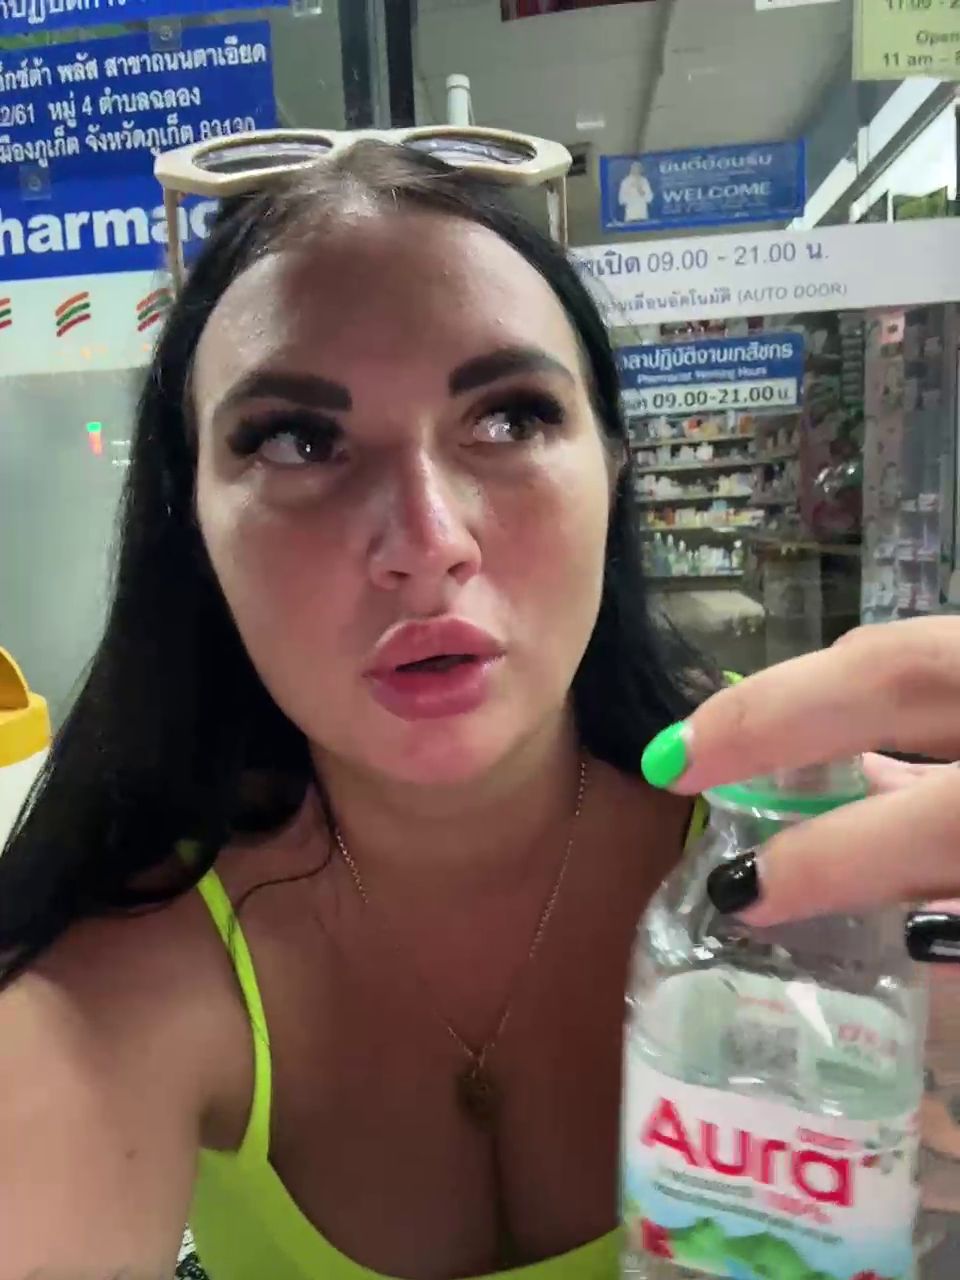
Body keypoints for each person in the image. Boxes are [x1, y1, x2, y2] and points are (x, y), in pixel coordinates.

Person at [1, 140, 958, 1280]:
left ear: (613, 471)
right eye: (297, 441)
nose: (428, 542)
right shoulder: (122, 969)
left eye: (510, 419)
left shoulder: (827, 850)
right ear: (195, 526)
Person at [616, 161, 654, 225]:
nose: (636, 171)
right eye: (634, 169)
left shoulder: (644, 181)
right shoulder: (625, 182)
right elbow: (621, 200)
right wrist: (629, 191)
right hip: (630, 217)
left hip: (642, 216)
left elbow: (649, 199)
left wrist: (640, 190)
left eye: (638, 169)